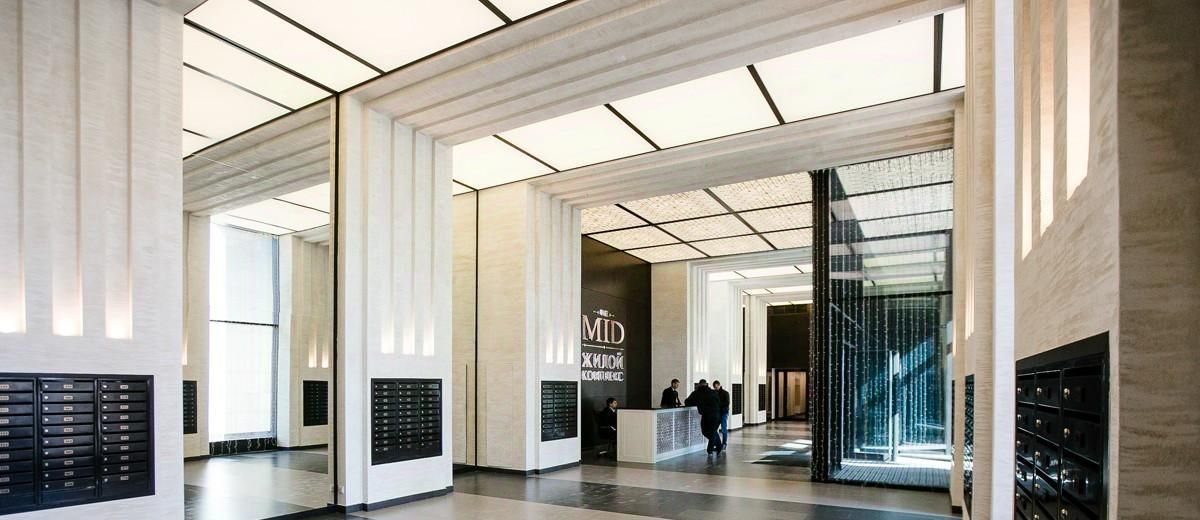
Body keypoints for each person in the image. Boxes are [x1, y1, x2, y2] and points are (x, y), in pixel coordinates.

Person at [684, 379, 723, 455]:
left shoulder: (697, 393)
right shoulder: (713, 392)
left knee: (706, 431)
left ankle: (710, 450)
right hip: (717, 414)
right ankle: (718, 446)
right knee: (713, 431)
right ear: (706, 384)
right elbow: (719, 402)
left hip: (707, 415)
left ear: (699, 385)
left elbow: (687, 402)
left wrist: (697, 403)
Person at [713, 381, 731, 450]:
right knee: (714, 429)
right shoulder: (714, 393)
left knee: (723, 429)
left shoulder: (725, 393)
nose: (715, 388)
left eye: (716, 387)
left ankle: (724, 444)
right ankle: (717, 444)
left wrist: (718, 405)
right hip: (717, 413)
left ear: (719, 385)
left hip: (723, 413)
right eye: (714, 387)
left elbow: (727, 403)